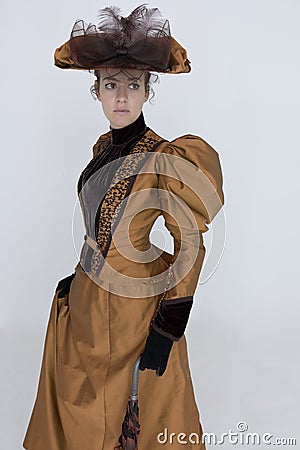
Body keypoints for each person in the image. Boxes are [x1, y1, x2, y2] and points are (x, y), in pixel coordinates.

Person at [23, 5, 225, 450]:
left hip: (135, 310)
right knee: (84, 403)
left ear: (147, 91)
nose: (121, 97)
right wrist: (81, 271)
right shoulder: (102, 149)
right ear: (96, 91)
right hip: (89, 297)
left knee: (131, 414)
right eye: (111, 85)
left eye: (132, 86)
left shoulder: (165, 159)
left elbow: (189, 241)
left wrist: (169, 325)